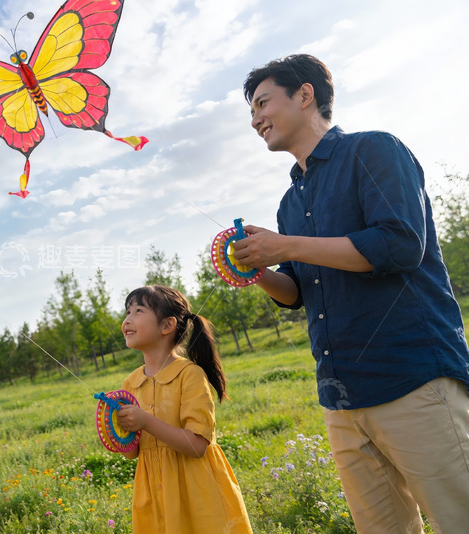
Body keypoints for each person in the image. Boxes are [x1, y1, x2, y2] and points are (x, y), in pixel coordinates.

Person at [236, 54, 469, 533]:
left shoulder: (374, 150)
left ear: (305, 95)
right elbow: (297, 289)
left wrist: (286, 245)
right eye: (251, 111)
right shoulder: (290, 201)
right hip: (342, 399)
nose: (255, 119)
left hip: (414, 381)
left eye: (263, 102)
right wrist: (258, 268)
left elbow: (401, 244)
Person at [115, 285, 252, 534]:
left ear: (167, 325)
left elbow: (197, 445)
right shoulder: (130, 383)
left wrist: (144, 420)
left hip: (196, 490)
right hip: (153, 494)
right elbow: (133, 452)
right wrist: (116, 431)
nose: (127, 319)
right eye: (127, 311)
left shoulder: (189, 375)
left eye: (138, 311)